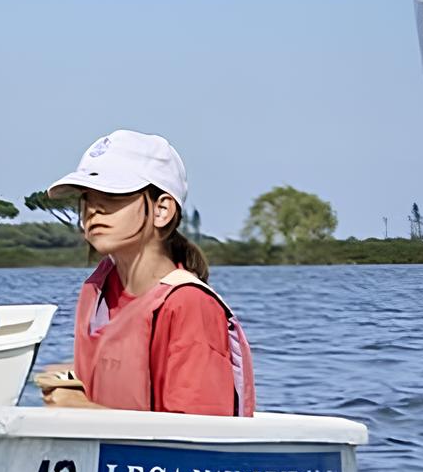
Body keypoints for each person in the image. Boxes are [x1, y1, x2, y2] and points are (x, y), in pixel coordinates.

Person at [30, 130, 255, 415]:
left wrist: (82, 410)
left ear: (162, 210)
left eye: (112, 195)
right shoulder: (97, 290)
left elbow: (198, 434)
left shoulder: (190, 305)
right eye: (87, 197)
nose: (93, 209)